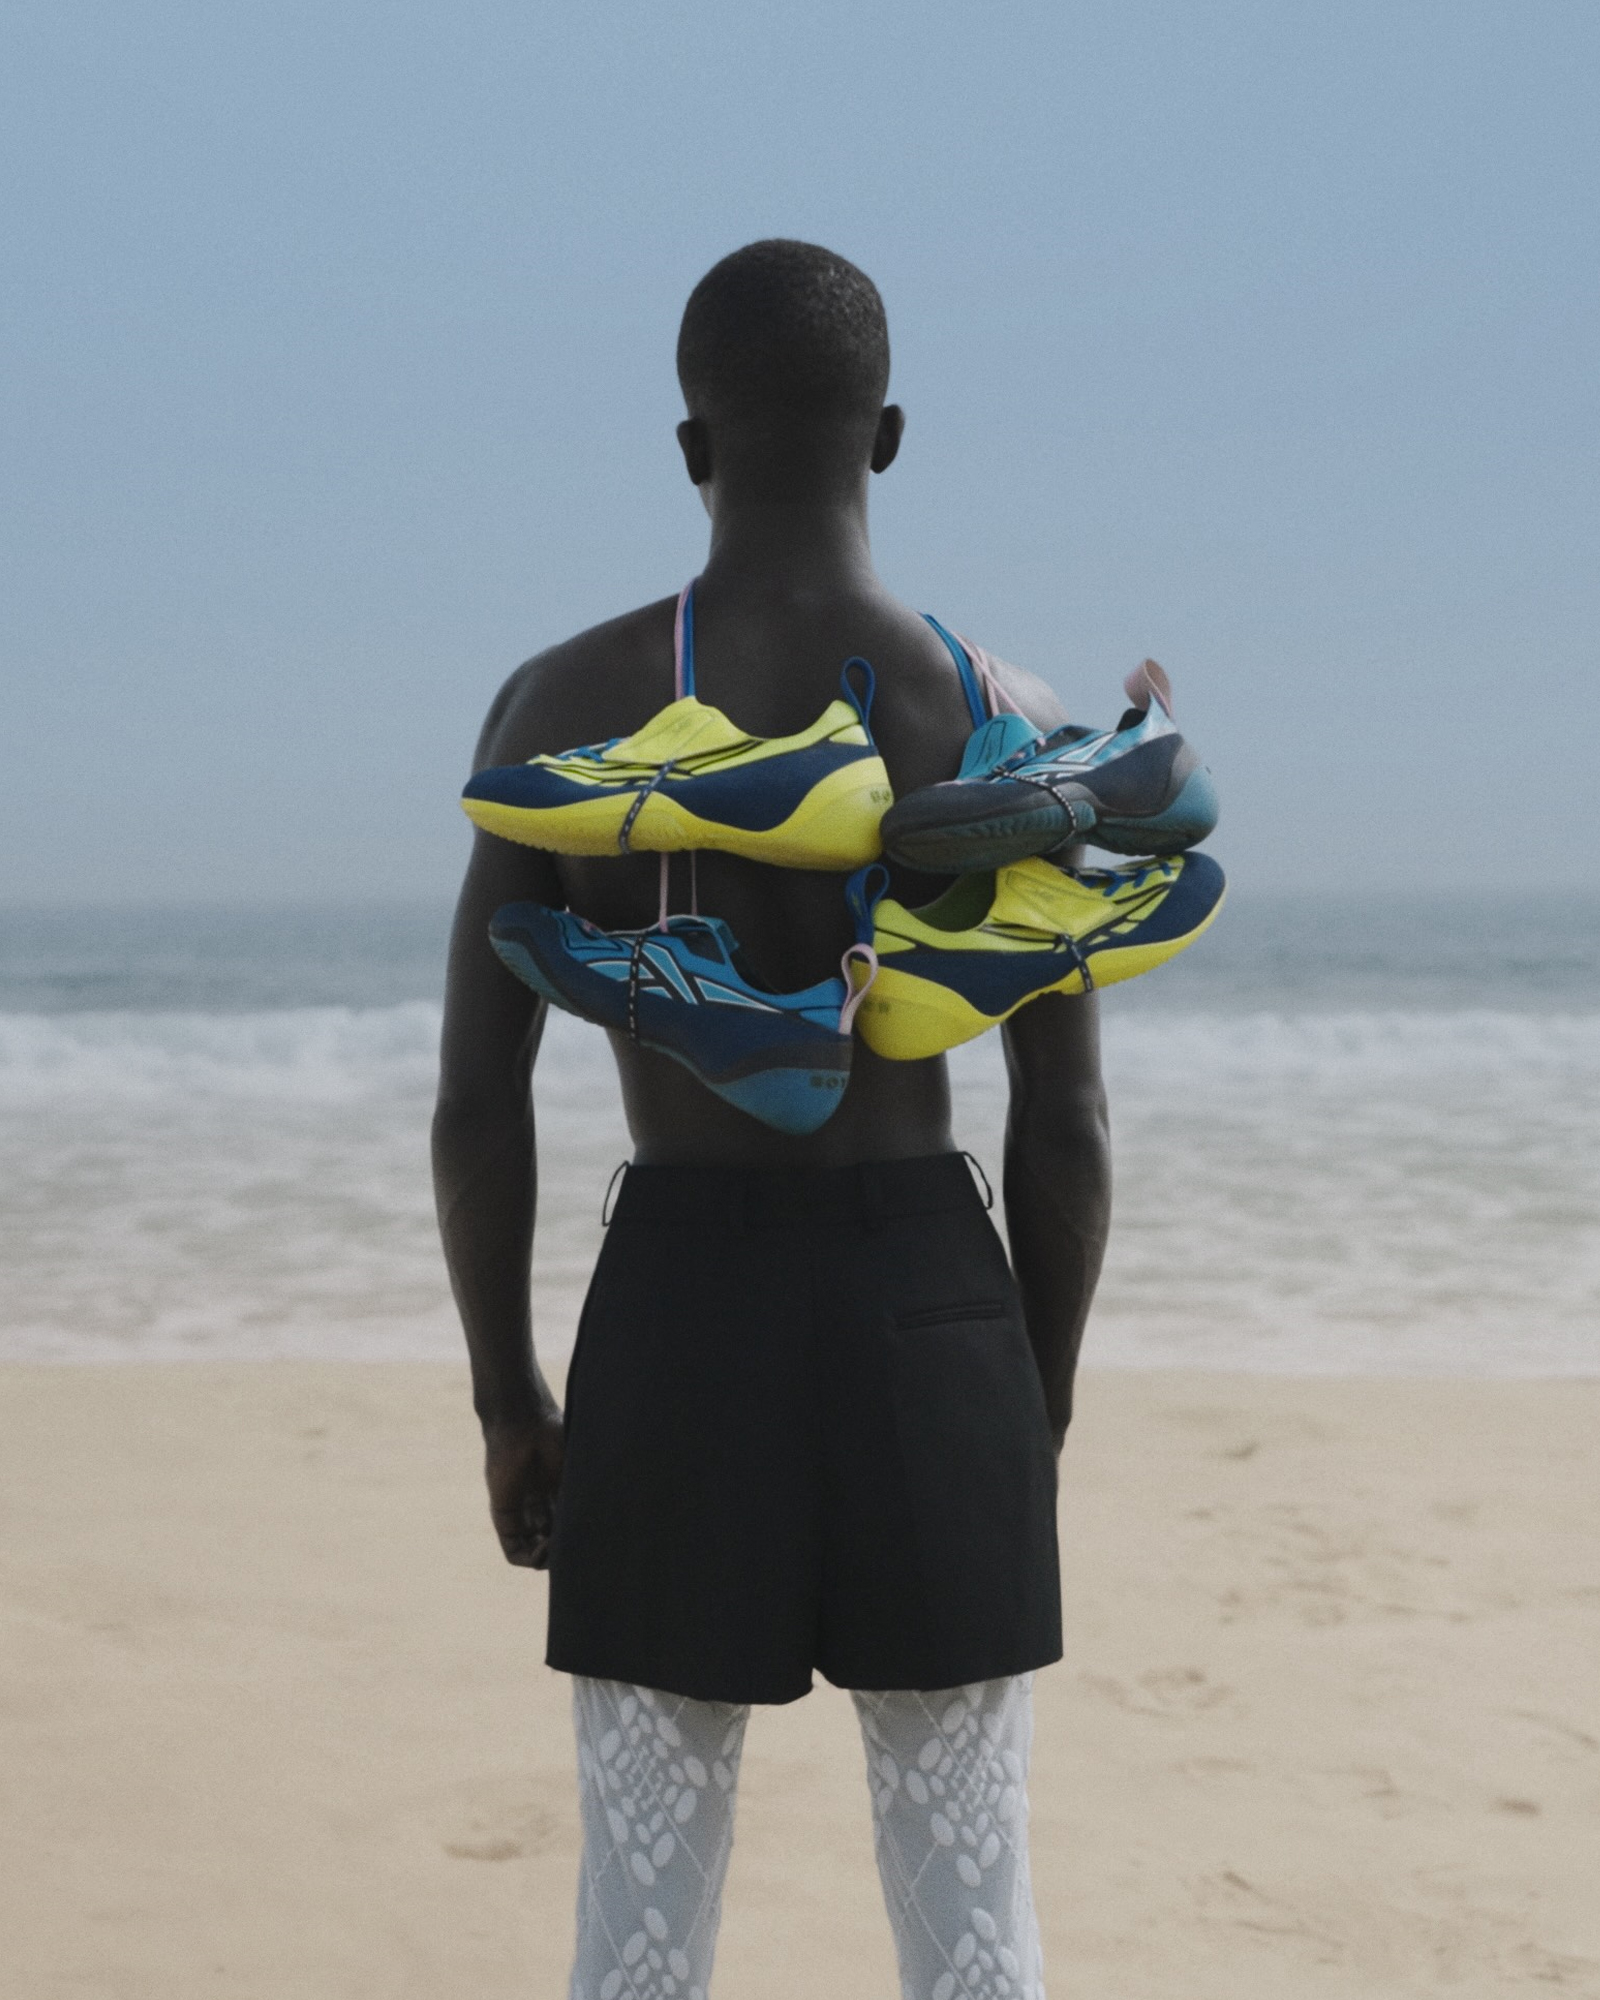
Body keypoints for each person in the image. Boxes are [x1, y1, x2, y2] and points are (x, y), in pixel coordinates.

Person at [432, 239, 1112, 2000]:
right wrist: (1032, 1391)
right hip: (933, 1306)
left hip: (681, 1306)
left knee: (642, 1930)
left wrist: (511, 1401)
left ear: (691, 447)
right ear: (886, 436)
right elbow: (1065, 1122)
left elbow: (477, 1103)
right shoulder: (1015, 723)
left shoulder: (562, 709)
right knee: (975, 1923)